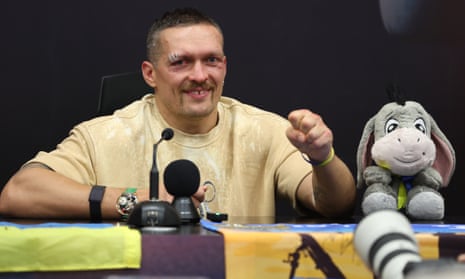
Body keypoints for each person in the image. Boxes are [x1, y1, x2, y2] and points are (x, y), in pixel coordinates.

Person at [0, 7, 356, 221]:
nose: (200, 75)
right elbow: (18, 193)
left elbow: (335, 205)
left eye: (211, 60)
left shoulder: (265, 130)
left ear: (225, 66)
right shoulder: (103, 134)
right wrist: (134, 201)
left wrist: (323, 159)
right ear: (149, 73)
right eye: (181, 62)